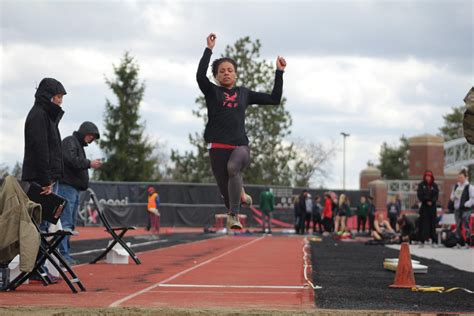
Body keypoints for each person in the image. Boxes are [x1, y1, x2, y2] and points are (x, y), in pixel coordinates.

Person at [197, 33, 286, 229]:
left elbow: (274, 99)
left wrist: (279, 72)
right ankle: (241, 195)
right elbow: (199, 76)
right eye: (222, 71)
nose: (226, 73)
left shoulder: (243, 93)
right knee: (225, 190)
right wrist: (208, 49)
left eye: (230, 70)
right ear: (217, 76)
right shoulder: (212, 92)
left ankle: (234, 216)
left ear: (236, 74)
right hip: (217, 146)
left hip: (240, 146)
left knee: (233, 167)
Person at [57, 122, 102, 264]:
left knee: (70, 224)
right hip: (67, 187)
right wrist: (89, 163)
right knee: (65, 223)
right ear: (84, 132)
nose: (91, 139)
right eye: (90, 135)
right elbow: (70, 160)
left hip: (74, 189)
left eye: (93, 137)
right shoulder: (70, 141)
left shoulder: (78, 145)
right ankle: (63, 255)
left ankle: (66, 254)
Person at [449, 168, 473, 248]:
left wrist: (467, 204)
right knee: (458, 225)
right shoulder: (456, 186)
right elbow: (451, 196)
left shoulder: (469, 187)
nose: (460, 179)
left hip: (466, 209)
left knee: (465, 224)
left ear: (466, 177)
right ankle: (459, 242)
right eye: (459, 177)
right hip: (457, 209)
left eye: (461, 177)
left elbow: (472, 198)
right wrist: (454, 197)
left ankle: (467, 241)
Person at [416, 170, 439, 247]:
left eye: (429, 176)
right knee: (423, 224)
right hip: (424, 207)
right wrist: (427, 200)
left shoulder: (434, 185)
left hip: (432, 207)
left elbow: (436, 195)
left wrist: (432, 201)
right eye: (426, 176)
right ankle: (422, 240)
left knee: (433, 224)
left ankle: (434, 241)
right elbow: (420, 195)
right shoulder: (421, 185)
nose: (428, 178)